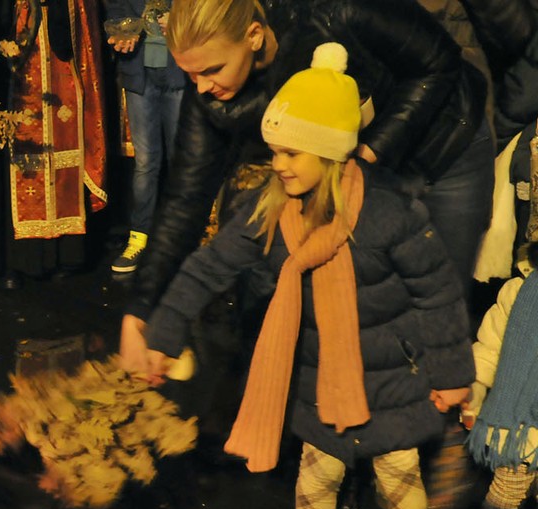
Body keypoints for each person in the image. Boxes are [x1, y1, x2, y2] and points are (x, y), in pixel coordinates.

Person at [143, 44, 473, 509]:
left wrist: (450, 375)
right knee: (316, 476)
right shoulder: (274, 208)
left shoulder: (389, 212)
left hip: (392, 374)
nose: (278, 165)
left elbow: (437, 291)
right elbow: (209, 265)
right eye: (275, 151)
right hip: (321, 374)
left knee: (398, 479)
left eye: (291, 152)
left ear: (328, 150)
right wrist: (164, 329)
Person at [119, 0, 491, 376]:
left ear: (253, 35)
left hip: (443, 146)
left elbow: (439, 61)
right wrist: (142, 307)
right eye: (190, 75)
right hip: (354, 174)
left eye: (212, 70)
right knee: (367, 314)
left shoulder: (336, 10)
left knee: (437, 299)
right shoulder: (209, 92)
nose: (201, 87)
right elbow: (186, 197)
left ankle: (439, 399)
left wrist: (371, 150)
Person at [5, 0, 108, 282]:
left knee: (66, 138)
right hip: (22, 50)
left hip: (61, 52)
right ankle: (24, 258)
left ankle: (67, 253)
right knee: (22, 142)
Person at [464, 241, 538, 509]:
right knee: (503, 496)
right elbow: (491, 346)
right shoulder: (519, 290)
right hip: (518, 421)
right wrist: (476, 389)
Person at [103, 0, 186, 275]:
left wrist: (180, 21)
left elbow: (204, 10)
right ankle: (139, 237)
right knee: (145, 163)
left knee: (181, 161)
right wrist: (121, 30)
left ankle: (179, 239)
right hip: (139, 74)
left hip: (179, 70)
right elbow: (115, 8)